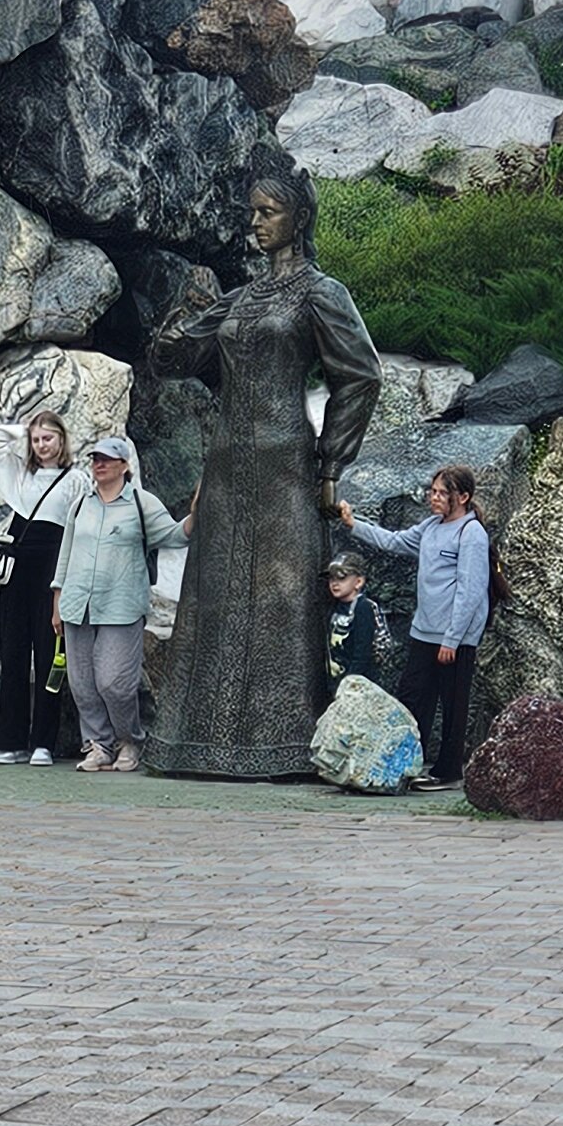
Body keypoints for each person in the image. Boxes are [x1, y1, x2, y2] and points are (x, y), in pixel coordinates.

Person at [143, 157, 384, 784]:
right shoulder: (241, 298)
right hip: (227, 464)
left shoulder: (321, 294)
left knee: (282, 598)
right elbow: (173, 359)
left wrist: (330, 461)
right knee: (217, 594)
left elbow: (360, 376)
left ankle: (287, 744)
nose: (255, 223)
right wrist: (178, 322)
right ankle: (196, 742)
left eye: (267, 212)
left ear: (298, 219)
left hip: (285, 463)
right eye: (252, 212)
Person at [337, 465, 493, 781]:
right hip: (424, 631)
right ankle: (406, 763)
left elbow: (471, 591)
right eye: (432, 491)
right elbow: (394, 542)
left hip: (454, 638)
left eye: (442, 493)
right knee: (413, 697)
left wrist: (452, 639)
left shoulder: (471, 533)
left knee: (453, 704)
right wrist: (354, 525)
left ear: (462, 497)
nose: (433, 498)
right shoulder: (431, 526)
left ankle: (448, 771)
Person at [55, 436, 188, 774]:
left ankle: (128, 740)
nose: (99, 464)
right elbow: (66, 554)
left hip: (121, 604)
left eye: (107, 459)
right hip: (77, 604)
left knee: (114, 682)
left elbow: (175, 535)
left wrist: (198, 512)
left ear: (124, 465)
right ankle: (98, 745)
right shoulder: (81, 504)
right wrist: (57, 600)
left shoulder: (142, 503)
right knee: (82, 684)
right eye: (95, 459)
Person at [0, 405, 84, 764]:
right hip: (18, 565)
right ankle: (11, 741)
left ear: (62, 439)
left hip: (52, 563)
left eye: (48, 438)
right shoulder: (21, 473)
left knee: (47, 654)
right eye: (37, 439)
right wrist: (24, 429)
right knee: (12, 654)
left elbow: (78, 527)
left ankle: (44, 742)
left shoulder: (75, 479)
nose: (42, 445)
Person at [328, 546, 379, 682]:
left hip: (357, 681)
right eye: (331, 578)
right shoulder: (334, 605)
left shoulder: (363, 607)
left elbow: (363, 651)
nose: (334, 583)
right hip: (335, 675)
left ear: (358, 582)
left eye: (341, 578)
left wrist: (351, 679)